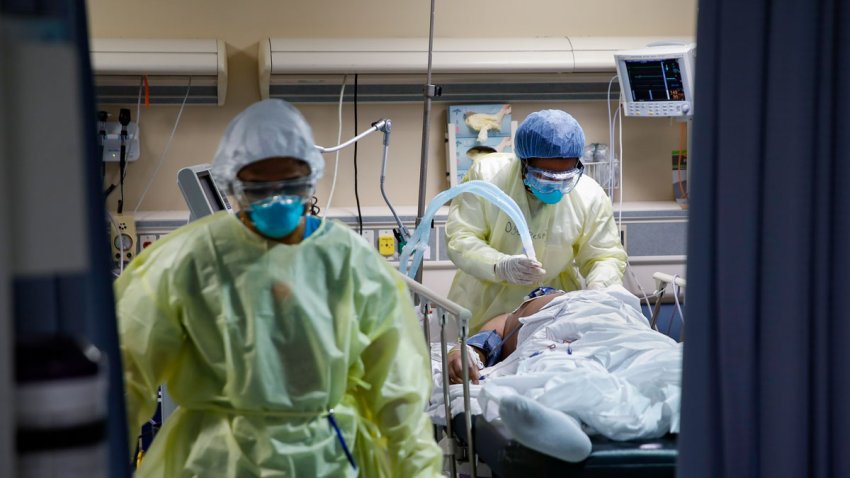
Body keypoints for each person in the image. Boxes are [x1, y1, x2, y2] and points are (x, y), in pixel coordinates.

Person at [114, 99, 441, 477]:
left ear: (312, 180)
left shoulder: (350, 263)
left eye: (292, 185)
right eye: (259, 189)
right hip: (217, 460)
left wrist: (419, 470)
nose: (277, 199)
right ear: (233, 186)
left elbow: (397, 391)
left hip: (325, 459)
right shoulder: (189, 261)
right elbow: (125, 377)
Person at [446, 109, 628, 331]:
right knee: (476, 356)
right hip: (483, 307)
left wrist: (600, 286)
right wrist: (500, 265)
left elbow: (605, 255)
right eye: (544, 176)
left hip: (551, 314)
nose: (554, 185)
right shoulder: (487, 177)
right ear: (524, 162)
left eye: (565, 177)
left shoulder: (590, 195)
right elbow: (461, 238)